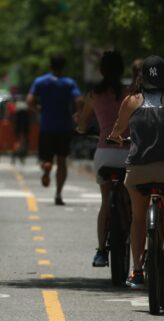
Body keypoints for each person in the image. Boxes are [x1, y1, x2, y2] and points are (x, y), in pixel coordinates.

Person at [108, 55, 164, 289]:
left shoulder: (131, 101)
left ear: (142, 77)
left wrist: (116, 137)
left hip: (138, 171)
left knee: (138, 219)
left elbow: (117, 129)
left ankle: (136, 271)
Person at [75, 51, 130, 267]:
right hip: (128, 152)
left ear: (101, 70)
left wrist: (81, 128)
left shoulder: (93, 94)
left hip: (104, 154)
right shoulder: (130, 94)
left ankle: (100, 251)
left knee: (105, 201)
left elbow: (82, 123)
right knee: (128, 199)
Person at [27, 55, 83, 205]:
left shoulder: (40, 81)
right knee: (62, 160)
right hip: (64, 127)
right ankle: (58, 193)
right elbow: (79, 99)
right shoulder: (69, 83)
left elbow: (30, 100)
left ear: (50, 65)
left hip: (46, 127)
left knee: (47, 158)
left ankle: (46, 167)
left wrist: (38, 110)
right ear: (63, 66)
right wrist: (77, 114)